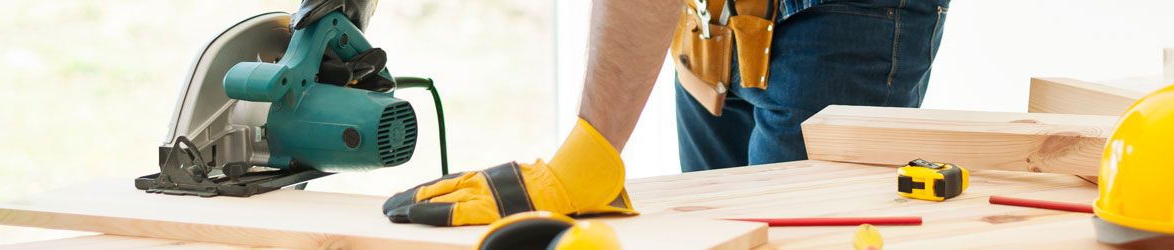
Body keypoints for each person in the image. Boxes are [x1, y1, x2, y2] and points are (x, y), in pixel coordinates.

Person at [383, 0, 949, 226]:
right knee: (715, 235)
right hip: (715, 15)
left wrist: (587, 157)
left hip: (843, 12)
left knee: (790, 238)